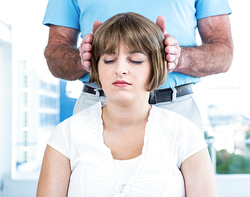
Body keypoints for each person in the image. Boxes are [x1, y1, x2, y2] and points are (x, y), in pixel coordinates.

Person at [36, 12, 217, 197]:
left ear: (156, 66)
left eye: (136, 60)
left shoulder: (185, 135)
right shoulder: (66, 135)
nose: (120, 70)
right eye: (108, 60)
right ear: (96, 66)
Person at [42, 0, 233, 131]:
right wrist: (82, 59)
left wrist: (179, 57)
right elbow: (54, 56)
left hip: (175, 110)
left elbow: (224, 54)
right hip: (96, 110)